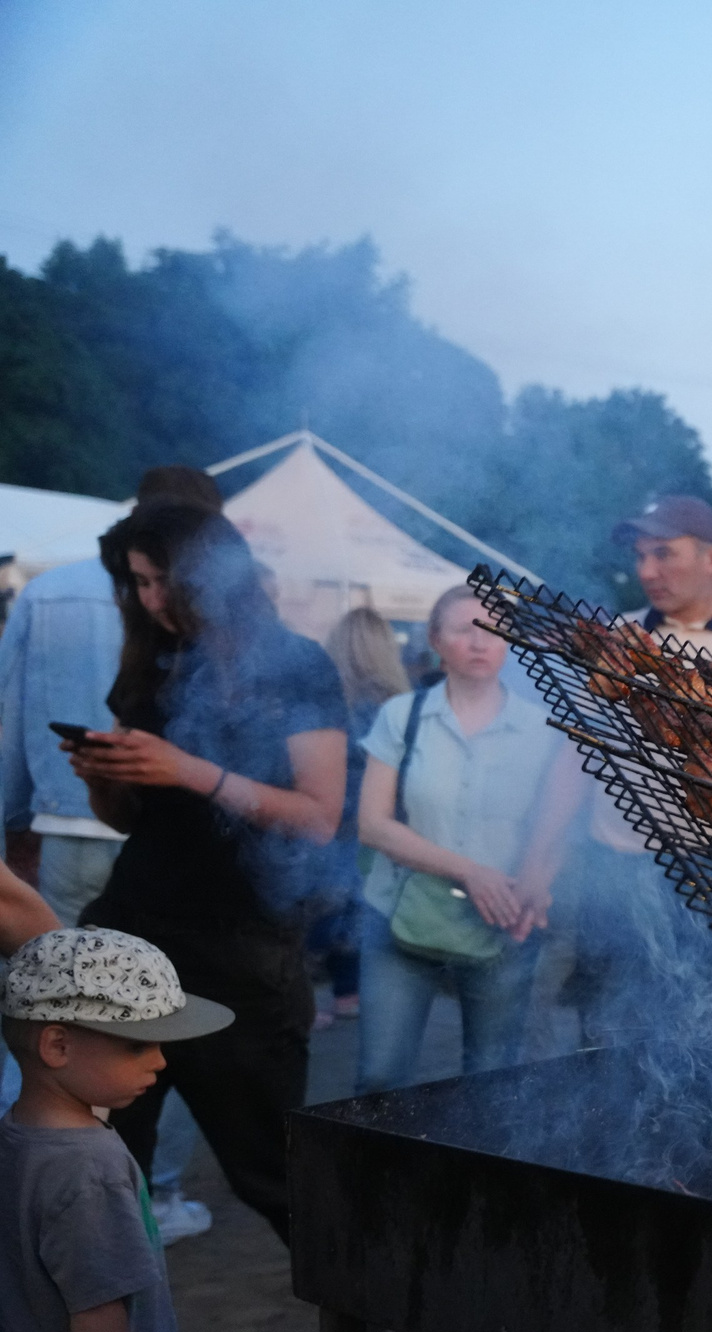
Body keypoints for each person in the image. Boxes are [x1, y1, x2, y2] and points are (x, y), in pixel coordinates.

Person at [69, 504, 347, 1251]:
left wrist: (191, 770)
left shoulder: (296, 665)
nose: (151, 600)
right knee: (106, 1160)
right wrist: (103, 777)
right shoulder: (151, 665)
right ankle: (116, 1325)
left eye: (162, 581)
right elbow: (133, 820)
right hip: (132, 931)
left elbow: (318, 816)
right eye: (137, 584)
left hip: (241, 950)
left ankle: (353, 1316)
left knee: (269, 1171)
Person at [522, 497, 712, 1043]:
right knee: (608, 1033)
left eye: (663, 554)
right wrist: (538, 861)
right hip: (619, 872)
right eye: (640, 556)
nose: (647, 571)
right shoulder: (617, 639)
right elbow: (575, 759)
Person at [0, 928, 231, 1332]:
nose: (159, 1062)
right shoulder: (90, 1166)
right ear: (57, 1044)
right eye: (137, 1044)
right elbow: (98, 1311)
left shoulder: (15, 1137)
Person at [353, 585, 565, 1092]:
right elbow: (372, 824)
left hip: (501, 923)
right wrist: (469, 870)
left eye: (494, 630)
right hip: (400, 916)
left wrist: (539, 882)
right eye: (463, 629)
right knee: (381, 1076)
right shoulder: (401, 715)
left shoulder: (544, 728)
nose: (480, 642)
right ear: (435, 640)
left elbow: (557, 827)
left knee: (491, 1084)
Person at [0, 467, 226, 928]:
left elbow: (10, 714)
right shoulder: (219, 602)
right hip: (183, 833)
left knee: (67, 979)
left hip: (71, 822)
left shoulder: (48, 592)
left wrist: (17, 820)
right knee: (168, 986)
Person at [313, 608, 414, 1031]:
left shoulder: (324, 698)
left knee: (321, 906)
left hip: (328, 817)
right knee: (361, 905)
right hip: (375, 821)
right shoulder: (397, 704)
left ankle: (309, 995)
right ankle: (350, 993)